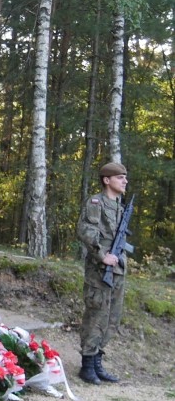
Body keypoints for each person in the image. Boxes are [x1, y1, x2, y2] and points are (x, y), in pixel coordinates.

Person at [76, 162, 129, 385]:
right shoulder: (96, 202)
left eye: (125, 177)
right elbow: (86, 230)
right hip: (101, 267)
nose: (125, 181)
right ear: (107, 180)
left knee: (112, 316)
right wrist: (101, 254)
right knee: (96, 313)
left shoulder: (119, 205)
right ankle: (87, 365)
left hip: (118, 267)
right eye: (120, 177)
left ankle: (98, 361)